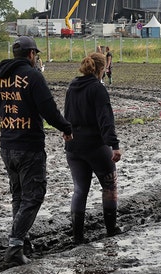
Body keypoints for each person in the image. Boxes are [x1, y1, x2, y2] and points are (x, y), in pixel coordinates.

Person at [0, 36, 73, 265]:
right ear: (31, 55)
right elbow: (49, 109)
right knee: (34, 196)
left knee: (19, 196)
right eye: (36, 55)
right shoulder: (33, 76)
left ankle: (23, 242)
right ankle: (15, 246)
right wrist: (66, 128)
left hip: (7, 146)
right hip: (29, 146)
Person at [64, 52, 122, 244]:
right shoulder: (98, 89)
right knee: (109, 185)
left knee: (80, 189)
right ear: (102, 69)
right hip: (95, 145)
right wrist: (114, 145)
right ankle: (111, 229)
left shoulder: (72, 86)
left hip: (73, 146)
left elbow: (66, 115)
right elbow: (106, 119)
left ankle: (77, 237)